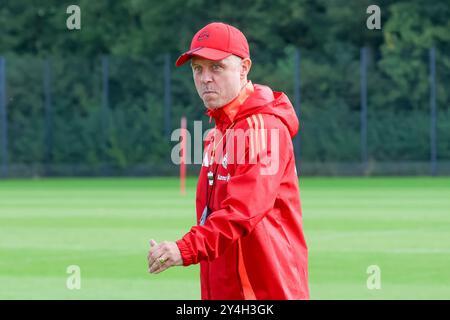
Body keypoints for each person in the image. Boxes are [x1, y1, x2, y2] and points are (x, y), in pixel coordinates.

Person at [147, 22, 309, 300]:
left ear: (244, 68)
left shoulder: (262, 129)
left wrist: (184, 249)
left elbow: (241, 212)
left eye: (216, 67)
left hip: (262, 292)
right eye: (198, 69)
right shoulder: (219, 132)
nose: (205, 78)